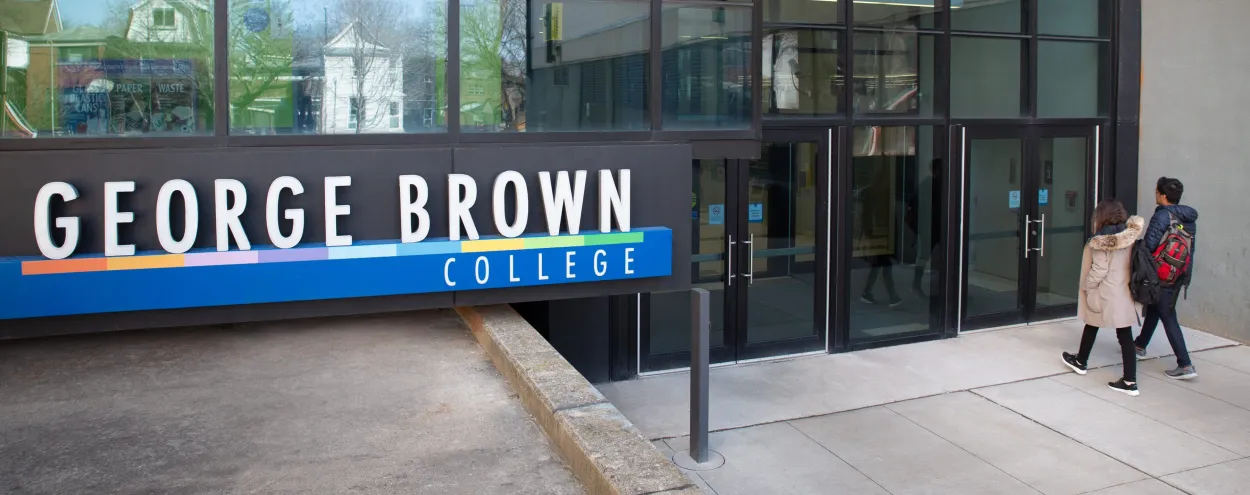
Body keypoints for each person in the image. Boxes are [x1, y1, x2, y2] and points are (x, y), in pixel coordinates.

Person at [1062, 200, 1144, 396]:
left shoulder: (1101, 241)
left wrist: (1086, 286)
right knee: (1121, 333)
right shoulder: (1129, 236)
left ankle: (1126, 380)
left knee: (1094, 323)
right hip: (1124, 291)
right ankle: (1085, 362)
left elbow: (1099, 269)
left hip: (1106, 292)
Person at [1134, 177, 1199, 379]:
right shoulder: (1188, 217)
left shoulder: (1163, 216)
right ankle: (1140, 345)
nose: (1155, 194)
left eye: (1156, 191)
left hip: (1162, 273)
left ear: (1163, 195)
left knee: (1167, 314)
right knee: (1157, 307)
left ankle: (1185, 364)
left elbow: (1149, 246)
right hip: (1178, 273)